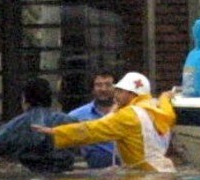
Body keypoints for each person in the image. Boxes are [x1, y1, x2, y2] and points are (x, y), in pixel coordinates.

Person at [36, 71, 178, 173]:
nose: (116, 95)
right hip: (164, 170)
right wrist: (165, 97)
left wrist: (56, 132)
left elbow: (93, 130)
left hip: (144, 174)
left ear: (131, 94)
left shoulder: (128, 115)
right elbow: (168, 110)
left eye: (120, 91)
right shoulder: (156, 107)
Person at [0, 77, 78, 174]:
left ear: (24, 99)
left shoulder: (12, 125)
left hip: (27, 171)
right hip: (63, 172)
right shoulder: (69, 121)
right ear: (50, 97)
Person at [68, 72, 119, 169]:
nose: (103, 89)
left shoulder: (127, 112)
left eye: (108, 85)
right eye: (99, 85)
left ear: (117, 89)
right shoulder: (76, 115)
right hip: (95, 168)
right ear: (92, 89)